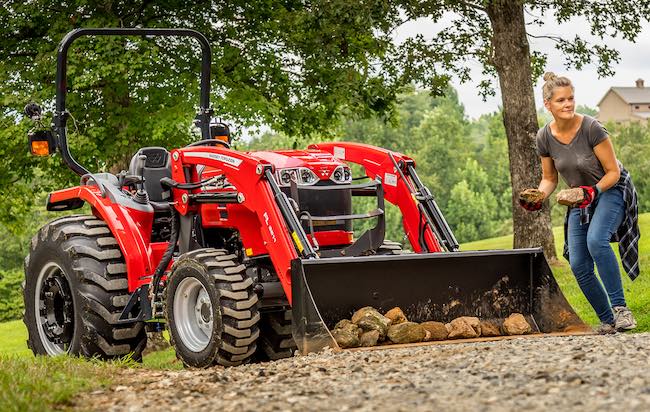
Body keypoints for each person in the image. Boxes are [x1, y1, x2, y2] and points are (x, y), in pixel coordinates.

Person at [519, 72, 640, 334]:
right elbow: (549, 179)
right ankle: (608, 320)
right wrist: (539, 196)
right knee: (578, 262)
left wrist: (592, 192)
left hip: (610, 188)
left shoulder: (591, 128)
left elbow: (613, 172)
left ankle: (622, 311)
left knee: (596, 240)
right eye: (561, 100)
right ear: (548, 104)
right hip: (579, 197)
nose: (568, 104)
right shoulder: (544, 137)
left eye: (571, 98)